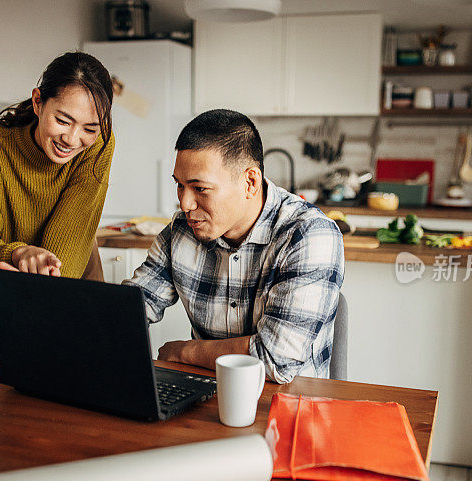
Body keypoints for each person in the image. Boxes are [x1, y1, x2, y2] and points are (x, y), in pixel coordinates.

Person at [124, 109, 344, 384]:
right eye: (180, 186)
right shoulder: (180, 231)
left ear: (250, 182)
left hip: (290, 406)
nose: (185, 204)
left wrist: (184, 351)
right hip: (204, 400)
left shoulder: (309, 234)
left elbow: (275, 359)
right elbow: (129, 311)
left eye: (199, 188)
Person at [0, 51, 114, 366]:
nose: (72, 138)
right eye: (62, 120)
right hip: (9, 278)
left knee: (89, 383)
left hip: (73, 270)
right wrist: (19, 254)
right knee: (1, 397)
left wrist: (44, 268)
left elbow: (69, 234)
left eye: (89, 127)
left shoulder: (99, 144)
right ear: (39, 102)